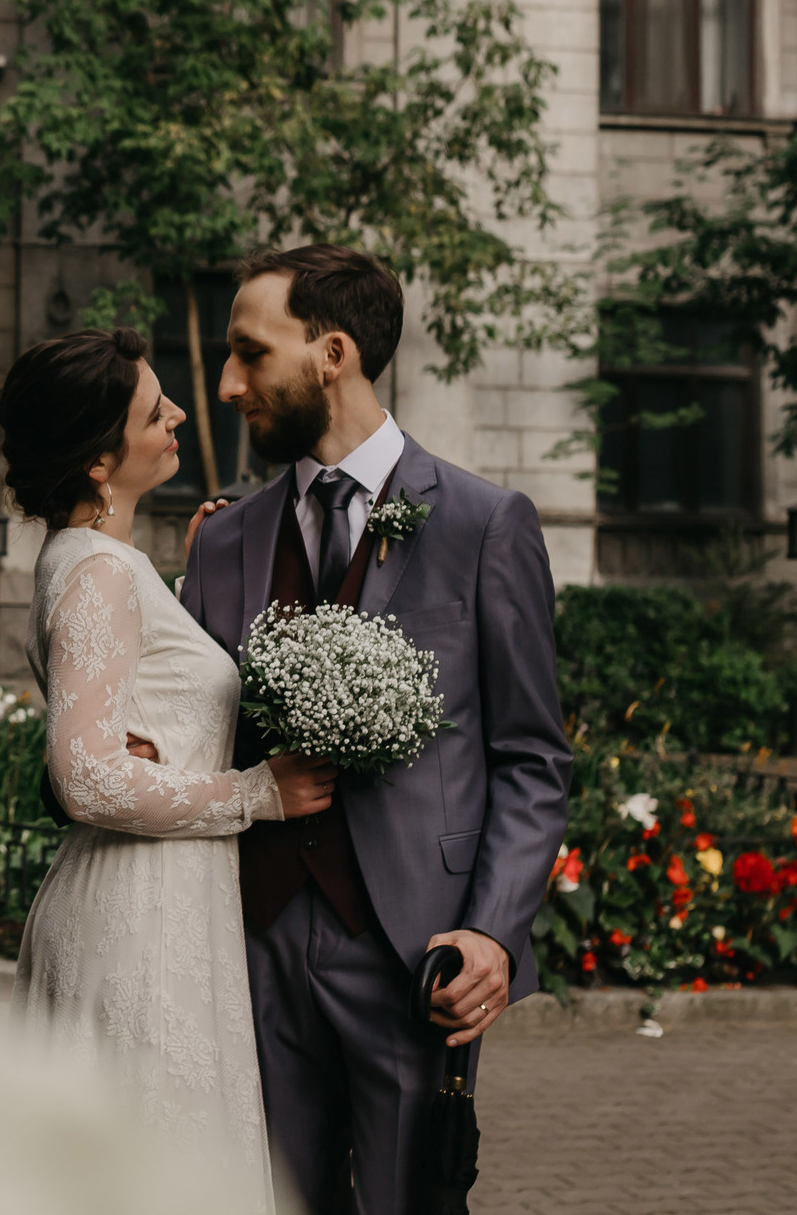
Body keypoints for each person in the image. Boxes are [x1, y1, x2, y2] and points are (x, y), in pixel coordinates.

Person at [178, 246, 571, 1215]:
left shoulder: (484, 525)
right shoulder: (223, 541)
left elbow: (530, 760)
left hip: (411, 955)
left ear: (332, 353)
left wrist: (490, 933)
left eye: (247, 354)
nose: (227, 386)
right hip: (252, 947)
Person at [3, 327, 335, 1212]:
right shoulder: (99, 573)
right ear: (98, 460)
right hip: (139, 913)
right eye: (157, 410)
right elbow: (86, 777)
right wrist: (258, 792)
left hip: (166, 897)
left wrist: (191, 591)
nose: (181, 411)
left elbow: (143, 702)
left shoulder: (99, 564)